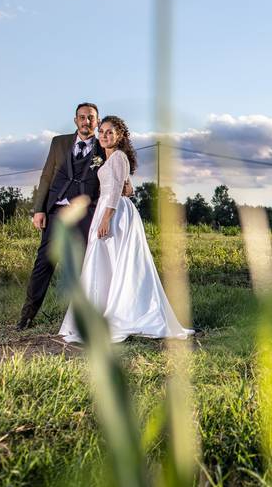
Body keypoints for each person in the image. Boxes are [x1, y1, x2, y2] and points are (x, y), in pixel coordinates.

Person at [58, 115, 193, 343]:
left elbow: (115, 191)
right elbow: (126, 188)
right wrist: (124, 190)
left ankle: (121, 314)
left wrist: (106, 218)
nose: (104, 135)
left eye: (110, 132)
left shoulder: (119, 156)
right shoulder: (109, 158)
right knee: (106, 260)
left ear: (120, 136)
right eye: (102, 132)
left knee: (115, 258)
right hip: (109, 207)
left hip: (115, 213)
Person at [18, 102, 132, 330]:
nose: (86, 121)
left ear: (97, 122)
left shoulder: (105, 147)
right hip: (57, 211)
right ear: (75, 120)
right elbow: (46, 177)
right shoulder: (58, 143)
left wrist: (128, 186)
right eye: (82, 117)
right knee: (44, 263)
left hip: (87, 214)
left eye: (91, 118)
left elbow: (119, 176)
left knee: (85, 266)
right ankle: (27, 316)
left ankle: (79, 318)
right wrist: (39, 209)